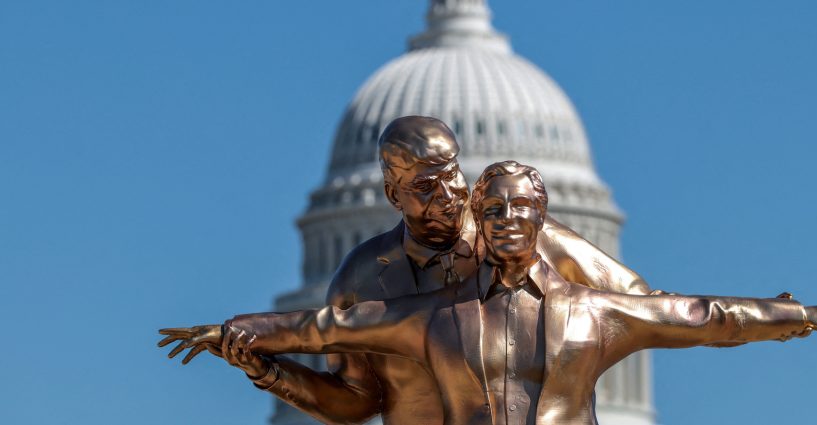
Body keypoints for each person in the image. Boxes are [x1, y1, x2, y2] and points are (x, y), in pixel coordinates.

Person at [161, 160, 817, 425]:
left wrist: (797, 315)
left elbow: (706, 317)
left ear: (544, 220)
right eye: (493, 209)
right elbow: (328, 327)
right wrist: (237, 332)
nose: (506, 221)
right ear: (478, 215)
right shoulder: (434, 316)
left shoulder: (595, 313)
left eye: (521, 210)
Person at [161, 116, 658, 424]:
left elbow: (636, 300)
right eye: (424, 187)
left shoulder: (522, 237)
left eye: (452, 176)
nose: (448, 198)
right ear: (391, 194)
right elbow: (356, 402)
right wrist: (267, 371)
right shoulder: (362, 279)